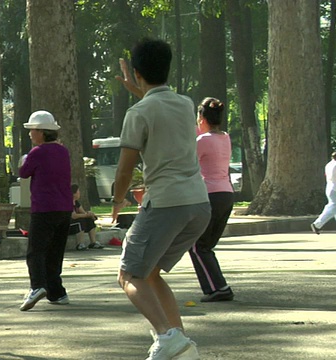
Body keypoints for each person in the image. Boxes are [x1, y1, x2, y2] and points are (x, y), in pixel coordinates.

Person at [112, 38, 210, 360]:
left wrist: (117, 200)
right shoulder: (185, 103)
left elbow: (125, 170)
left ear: (137, 73)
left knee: (129, 274)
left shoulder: (137, 112)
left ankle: (167, 337)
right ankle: (180, 342)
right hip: (199, 204)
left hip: (166, 202)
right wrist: (138, 88)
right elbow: (159, 106)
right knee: (150, 272)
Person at [18, 110, 72, 311]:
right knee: (55, 252)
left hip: (44, 208)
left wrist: (24, 159)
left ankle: (37, 286)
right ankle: (57, 292)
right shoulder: (63, 151)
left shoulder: (37, 152)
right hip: (64, 208)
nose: (30, 134)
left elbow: (24, 173)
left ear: (41, 132)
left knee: (36, 251)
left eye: (32, 130)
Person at [189, 97, 235, 303]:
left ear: (201, 117)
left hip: (209, 195)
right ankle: (218, 286)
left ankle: (219, 288)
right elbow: (203, 137)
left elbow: (188, 159)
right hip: (226, 194)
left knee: (198, 245)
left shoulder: (203, 141)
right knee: (205, 245)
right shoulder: (224, 137)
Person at [70, 184, 104, 251]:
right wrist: (85, 215)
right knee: (80, 221)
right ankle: (80, 244)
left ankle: (93, 242)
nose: (79, 193)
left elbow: (83, 213)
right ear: (74, 193)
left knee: (89, 220)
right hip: (68, 225)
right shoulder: (68, 202)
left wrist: (89, 214)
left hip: (75, 222)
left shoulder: (76, 202)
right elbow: (73, 216)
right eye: (78, 191)